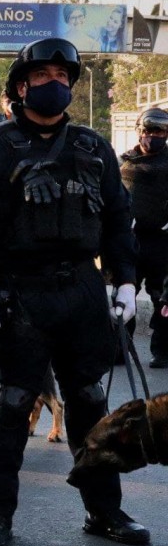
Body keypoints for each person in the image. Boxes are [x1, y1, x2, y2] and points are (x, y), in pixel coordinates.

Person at [0, 37, 149, 546]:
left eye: (63, 76)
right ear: (21, 87)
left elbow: (117, 220)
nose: (55, 84)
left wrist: (126, 280)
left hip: (83, 290)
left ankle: (105, 512)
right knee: (13, 405)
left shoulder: (92, 146)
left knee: (91, 402)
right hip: (21, 290)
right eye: (43, 77)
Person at [120, 107, 168, 368]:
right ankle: (120, 349)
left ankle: (162, 351)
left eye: (158, 131)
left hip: (163, 241)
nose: (152, 136)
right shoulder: (125, 163)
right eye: (148, 131)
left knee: (163, 298)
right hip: (131, 240)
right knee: (124, 293)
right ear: (140, 132)